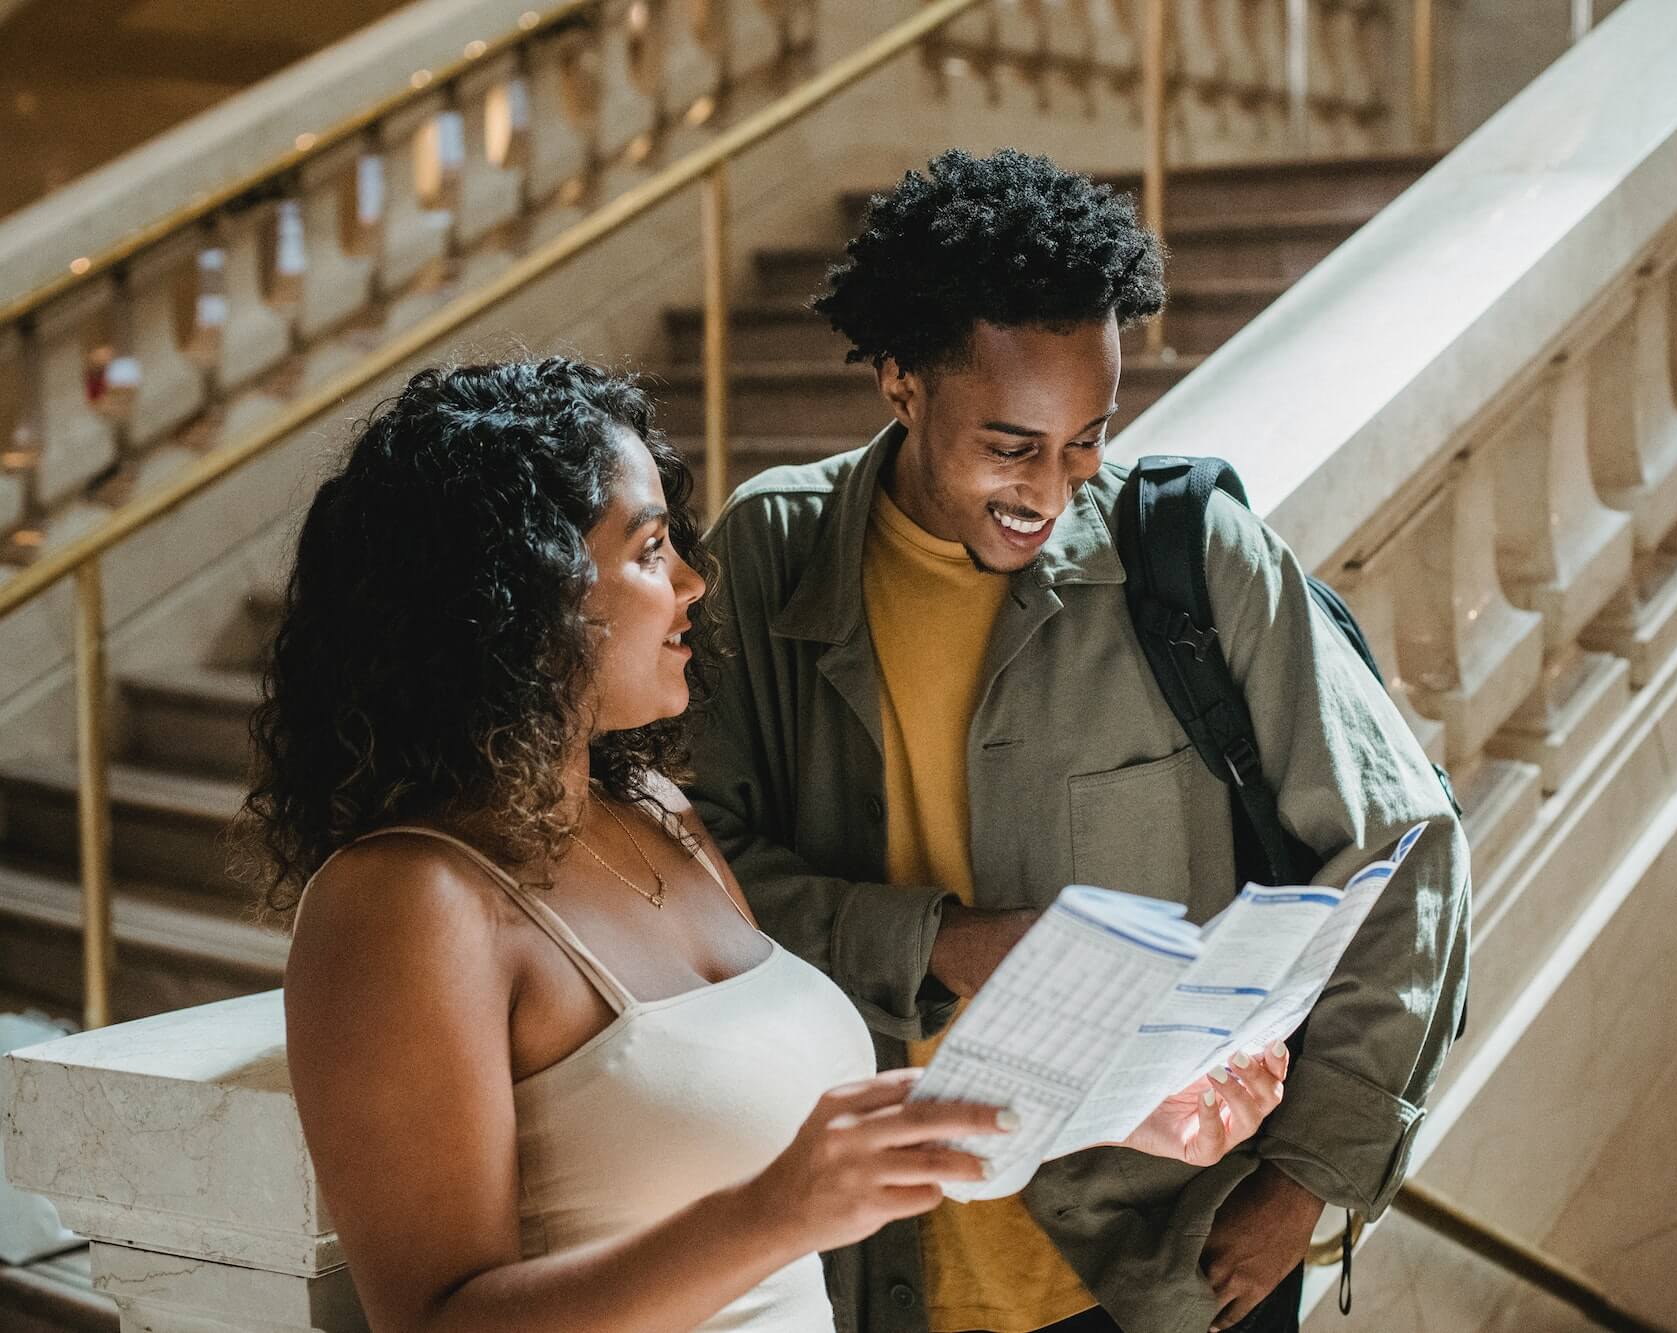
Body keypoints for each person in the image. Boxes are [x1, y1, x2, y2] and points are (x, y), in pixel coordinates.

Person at [251, 358, 1287, 1333]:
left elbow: (790, 1144)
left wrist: (1113, 1106)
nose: (695, 584)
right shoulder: (403, 901)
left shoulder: (657, 810)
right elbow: (434, 1321)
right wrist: (771, 1215)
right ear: (518, 597)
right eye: (651, 550)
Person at [687, 150, 1473, 1333]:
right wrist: (945, 943)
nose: (1050, 491)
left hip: (1162, 1272)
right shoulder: (767, 557)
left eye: (1086, 440)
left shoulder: (1192, 557)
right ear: (900, 380)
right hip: (874, 1270)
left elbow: (1407, 848)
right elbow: (697, 883)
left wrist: (1303, 1183)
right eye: (1010, 445)